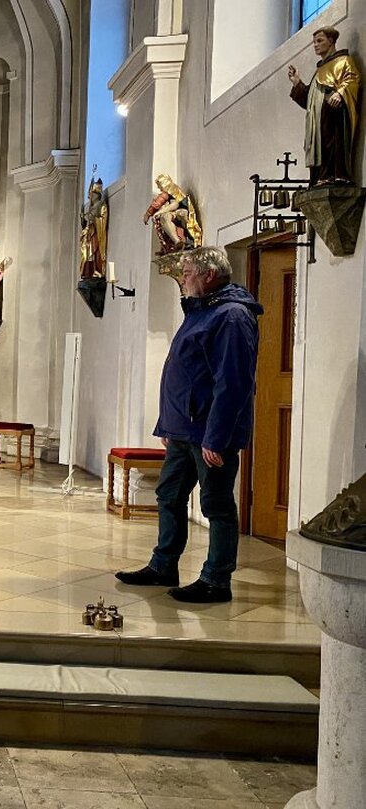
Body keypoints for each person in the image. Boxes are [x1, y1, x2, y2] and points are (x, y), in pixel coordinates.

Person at [116, 247, 262, 603]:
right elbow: (185, 372)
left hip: (210, 434)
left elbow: (234, 382)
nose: (182, 279)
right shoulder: (202, 310)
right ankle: (163, 565)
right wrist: (169, 425)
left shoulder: (231, 317)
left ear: (209, 275)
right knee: (169, 495)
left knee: (216, 505)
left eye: (187, 273)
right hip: (185, 429)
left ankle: (216, 579)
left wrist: (217, 437)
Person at [288, 26, 360, 186]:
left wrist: (340, 93)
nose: (315, 45)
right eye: (314, 42)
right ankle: (320, 177)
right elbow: (310, 100)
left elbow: (352, 79)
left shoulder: (343, 61)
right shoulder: (320, 69)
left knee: (331, 142)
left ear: (331, 40)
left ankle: (332, 176)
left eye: (319, 41)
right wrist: (298, 84)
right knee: (317, 145)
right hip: (316, 120)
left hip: (333, 113)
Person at [143, 174, 201, 256]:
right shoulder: (169, 192)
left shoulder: (172, 189)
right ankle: (176, 242)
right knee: (164, 217)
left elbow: (174, 205)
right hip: (175, 214)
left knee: (166, 216)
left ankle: (180, 241)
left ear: (164, 183)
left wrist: (151, 214)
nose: (159, 188)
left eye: (159, 185)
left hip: (182, 212)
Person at [79, 175, 108, 279]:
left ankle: (96, 270)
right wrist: (84, 218)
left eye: (92, 194)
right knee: (88, 251)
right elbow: (86, 222)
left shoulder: (101, 205)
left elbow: (102, 219)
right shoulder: (92, 207)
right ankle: (88, 271)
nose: (90, 196)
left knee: (94, 251)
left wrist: (92, 218)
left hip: (96, 232)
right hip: (89, 232)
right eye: (90, 194)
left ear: (97, 194)